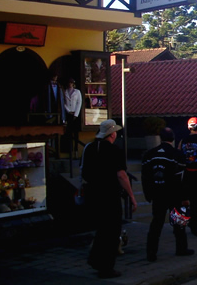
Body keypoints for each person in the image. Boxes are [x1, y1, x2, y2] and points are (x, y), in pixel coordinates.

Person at [82, 119, 137, 279]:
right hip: (110, 194)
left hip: (93, 194)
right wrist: (131, 196)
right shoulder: (114, 151)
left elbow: (84, 172)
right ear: (112, 134)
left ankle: (95, 259)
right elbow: (121, 174)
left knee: (102, 229)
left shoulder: (90, 148)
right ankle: (106, 266)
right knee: (112, 231)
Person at [141, 127, 194, 261]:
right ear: (173, 139)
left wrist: (148, 193)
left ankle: (151, 252)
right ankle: (181, 248)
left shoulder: (149, 154)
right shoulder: (177, 155)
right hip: (174, 193)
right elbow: (182, 178)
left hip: (157, 193)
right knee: (178, 222)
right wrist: (185, 197)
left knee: (156, 223)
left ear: (161, 138)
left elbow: (145, 176)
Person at [64, 78, 83, 149]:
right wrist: (68, 111)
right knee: (68, 132)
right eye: (69, 83)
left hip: (75, 115)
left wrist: (76, 113)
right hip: (68, 114)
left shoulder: (77, 92)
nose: (70, 84)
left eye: (71, 83)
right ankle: (70, 149)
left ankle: (76, 150)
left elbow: (79, 102)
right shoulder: (65, 91)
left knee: (75, 133)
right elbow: (63, 103)